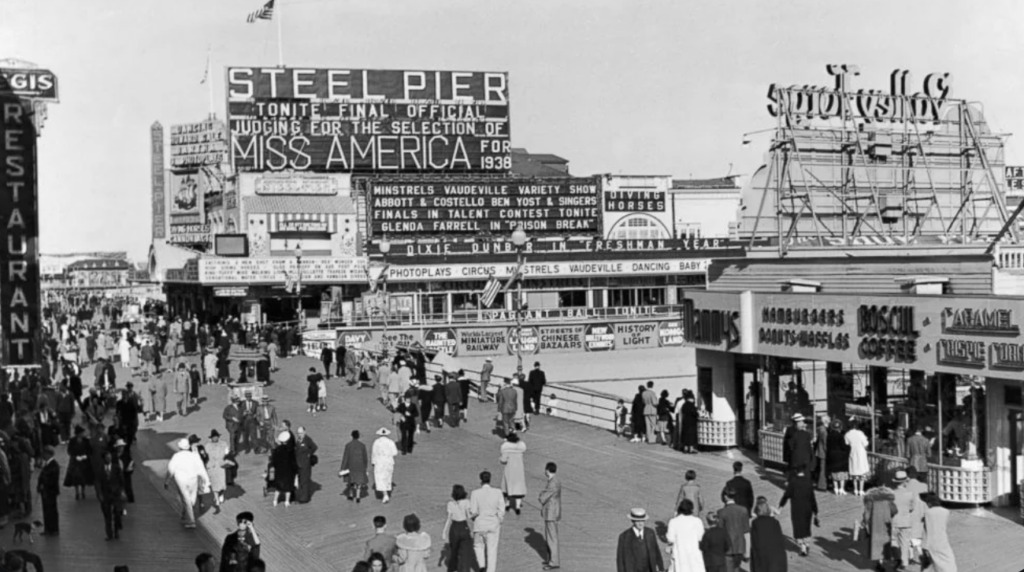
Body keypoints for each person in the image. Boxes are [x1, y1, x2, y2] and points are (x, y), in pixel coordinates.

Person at [165, 437, 210, 529]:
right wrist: (207, 480)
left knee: (186, 498)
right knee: (192, 498)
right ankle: (189, 517)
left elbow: (170, 469)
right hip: (193, 479)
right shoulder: (194, 456)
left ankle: (189, 519)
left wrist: (167, 481)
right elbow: (201, 469)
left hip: (181, 480)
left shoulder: (176, 456)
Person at [469, 471, 505, 572]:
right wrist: (499, 519)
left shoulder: (475, 493)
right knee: (492, 550)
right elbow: (501, 509)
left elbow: (473, 511)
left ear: (481, 480)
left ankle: (481, 565)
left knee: (478, 546)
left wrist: (473, 518)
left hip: (479, 524)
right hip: (493, 524)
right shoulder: (497, 492)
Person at [779, 467, 818, 557]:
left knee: (798, 526)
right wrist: (815, 511)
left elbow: (786, 495)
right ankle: (806, 543)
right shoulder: (808, 482)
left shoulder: (793, 482)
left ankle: (802, 546)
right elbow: (812, 498)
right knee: (806, 526)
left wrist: (780, 506)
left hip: (797, 508)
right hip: (807, 508)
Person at [892, 470, 924, 569]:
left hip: (894, 521)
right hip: (906, 521)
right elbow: (912, 508)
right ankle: (904, 562)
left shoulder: (891, 494)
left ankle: (897, 558)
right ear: (905, 481)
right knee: (905, 542)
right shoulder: (910, 494)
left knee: (894, 541)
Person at [615, 508, 664, 572]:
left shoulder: (650, 533)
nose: (640, 523)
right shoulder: (624, 537)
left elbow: (656, 552)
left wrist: (661, 568)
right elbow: (620, 560)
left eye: (642, 521)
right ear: (632, 521)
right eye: (638, 521)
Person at [862, 485, 898, 572]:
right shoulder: (888, 500)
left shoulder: (870, 500)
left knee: (876, 543)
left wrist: (864, 522)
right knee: (885, 541)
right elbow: (895, 511)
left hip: (874, 524)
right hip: (886, 523)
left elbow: (867, 514)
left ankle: (879, 562)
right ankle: (884, 559)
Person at [666, 498, 705, 572]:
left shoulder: (673, 522)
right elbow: (701, 537)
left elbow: (670, 538)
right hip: (694, 554)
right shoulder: (697, 521)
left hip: (679, 555)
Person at [921, 492, 957, 572]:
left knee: (931, 563)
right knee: (948, 562)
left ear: (929, 503)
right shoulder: (946, 511)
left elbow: (926, 530)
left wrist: (924, 546)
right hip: (942, 540)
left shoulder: (927, 513)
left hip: (931, 542)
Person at [443, 484, 475, 572]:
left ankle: (452, 569)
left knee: (454, 551)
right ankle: (465, 569)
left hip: (454, 528)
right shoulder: (466, 502)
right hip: (463, 527)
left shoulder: (450, 504)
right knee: (465, 552)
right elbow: (469, 516)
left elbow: (449, 518)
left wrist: (444, 531)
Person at [749, 497, 787, 572]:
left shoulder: (756, 523)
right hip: (778, 556)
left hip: (763, 557)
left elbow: (755, 542)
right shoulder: (775, 522)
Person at [717, 487, 749, 572]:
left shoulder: (721, 512)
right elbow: (746, 532)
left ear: (725, 497)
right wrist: (747, 550)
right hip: (739, 547)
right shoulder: (743, 510)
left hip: (727, 548)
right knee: (736, 569)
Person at [97, 450, 125, 540]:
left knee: (117, 513)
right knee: (107, 515)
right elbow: (98, 483)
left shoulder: (116, 468)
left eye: (110, 457)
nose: (109, 459)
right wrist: (100, 494)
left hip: (115, 494)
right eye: (107, 457)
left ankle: (116, 531)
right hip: (106, 495)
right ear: (104, 459)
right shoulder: (100, 469)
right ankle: (109, 534)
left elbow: (121, 480)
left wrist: (121, 491)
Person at [500, 432, 527, 515]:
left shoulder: (506, 449)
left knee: (507, 488)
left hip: (509, 471)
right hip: (519, 471)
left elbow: (503, 460)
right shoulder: (520, 449)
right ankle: (518, 507)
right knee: (518, 489)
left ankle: (507, 505)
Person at [64, 425, 93, 500]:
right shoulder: (72, 440)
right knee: (75, 477)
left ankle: (83, 491)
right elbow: (69, 450)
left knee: (84, 476)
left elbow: (89, 449)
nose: (83, 434)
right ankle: (77, 492)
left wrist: (86, 456)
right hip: (75, 460)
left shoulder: (86, 440)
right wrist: (74, 456)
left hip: (84, 460)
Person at [340, 430, 370, 503]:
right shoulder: (362, 446)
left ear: (352, 436)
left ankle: (350, 495)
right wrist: (365, 467)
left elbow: (345, 458)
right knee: (358, 482)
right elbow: (365, 458)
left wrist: (342, 468)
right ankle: (358, 497)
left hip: (351, 465)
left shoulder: (348, 445)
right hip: (360, 465)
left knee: (351, 481)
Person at [269, 431, 297, 507]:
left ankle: (275, 500)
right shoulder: (290, 451)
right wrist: (295, 470)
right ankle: (287, 501)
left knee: (278, 488)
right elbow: (294, 462)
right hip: (288, 472)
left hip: (279, 471)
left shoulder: (277, 450)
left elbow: (273, 461)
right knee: (288, 488)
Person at [37, 445, 60, 536]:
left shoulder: (54, 465)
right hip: (46, 492)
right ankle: (48, 529)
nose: (43, 455)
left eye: (44, 453)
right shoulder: (47, 464)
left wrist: (44, 485)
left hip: (50, 491)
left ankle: (54, 529)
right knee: (46, 510)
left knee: (52, 511)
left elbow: (51, 478)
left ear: (48, 454)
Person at [372, 428, 399, 503]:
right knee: (387, 477)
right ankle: (386, 492)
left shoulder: (376, 442)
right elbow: (395, 452)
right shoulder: (390, 442)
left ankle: (385, 494)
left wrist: (373, 462)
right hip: (389, 461)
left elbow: (374, 453)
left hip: (379, 461)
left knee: (380, 477)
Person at [206, 430, 231, 510]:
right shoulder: (208, 445)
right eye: (213, 437)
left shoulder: (223, 444)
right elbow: (206, 456)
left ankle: (221, 494)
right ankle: (216, 499)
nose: (215, 438)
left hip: (220, 465)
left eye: (216, 437)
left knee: (222, 482)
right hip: (212, 466)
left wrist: (227, 453)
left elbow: (227, 452)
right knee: (214, 483)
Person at [846, 420, 870, 496]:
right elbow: (865, 443)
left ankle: (855, 489)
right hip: (861, 453)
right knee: (861, 473)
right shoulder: (860, 433)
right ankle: (861, 490)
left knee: (854, 472)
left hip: (852, 453)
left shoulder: (847, 434)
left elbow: (847, 444)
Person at [826, 419, 850, 495]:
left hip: (831, 456)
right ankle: (841, 489)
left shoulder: (829, 435)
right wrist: (849, 447)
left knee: (834, 473)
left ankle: (835, 488)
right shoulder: (840, 436)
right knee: (841, 473)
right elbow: (843, 446)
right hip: (840, 457)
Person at [787, 414, 814, 479]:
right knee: (801, 472)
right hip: (802, 456)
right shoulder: (796, 432)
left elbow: (790, 444)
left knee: (796, 471)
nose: (803, 423)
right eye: (802, 421)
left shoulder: (792, 431)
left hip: (796, 455)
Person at [814, 414, 830, 490]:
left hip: (819, 451)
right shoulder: (824, 431)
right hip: (823, 453)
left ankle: (821, 483)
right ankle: (822, 485)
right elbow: (825, 443)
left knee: (821, 468)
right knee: (823, 469)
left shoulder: (820, 429)